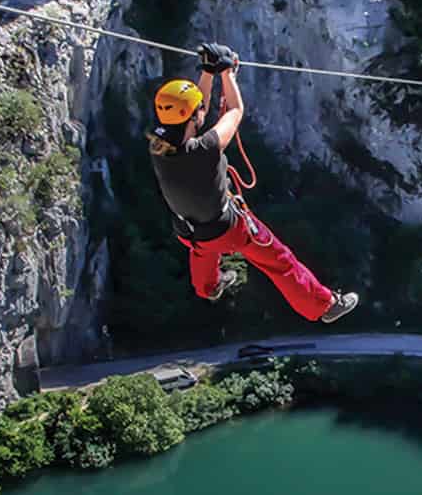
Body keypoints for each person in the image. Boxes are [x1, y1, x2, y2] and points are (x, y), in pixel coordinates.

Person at [148, 43, 359, 323]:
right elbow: (234, 110)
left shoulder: (159, 145)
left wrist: (209, 72)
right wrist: (227, 73)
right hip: (228, 229)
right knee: (280, 261)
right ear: (194, 115)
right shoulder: (204, 150)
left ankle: (209, 288)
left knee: (203, 250)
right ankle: (323, 306)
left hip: (189, 230)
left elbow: (197, 113)